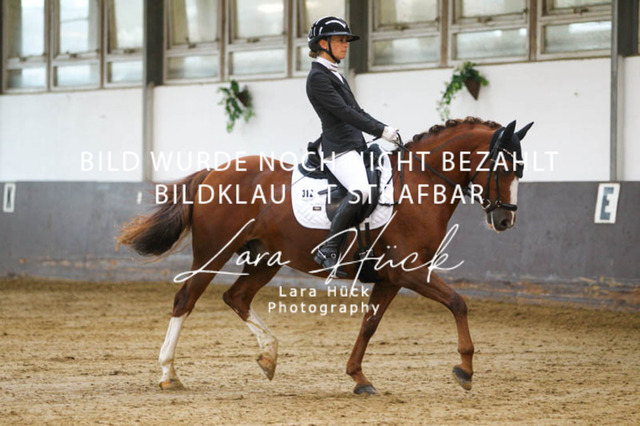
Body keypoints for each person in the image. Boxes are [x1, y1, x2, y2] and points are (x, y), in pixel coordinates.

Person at [306, 16, 399, 273]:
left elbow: (357, 110)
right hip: (338, 149)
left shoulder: (335, 75)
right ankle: (329, 248)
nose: (346, 45)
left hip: (354, 145)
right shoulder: (318, 77)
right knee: (361, 190)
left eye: (346, 40)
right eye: (340, 40)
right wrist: (380, 131)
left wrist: (385, 129)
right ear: (323, 43)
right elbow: (344, 113)